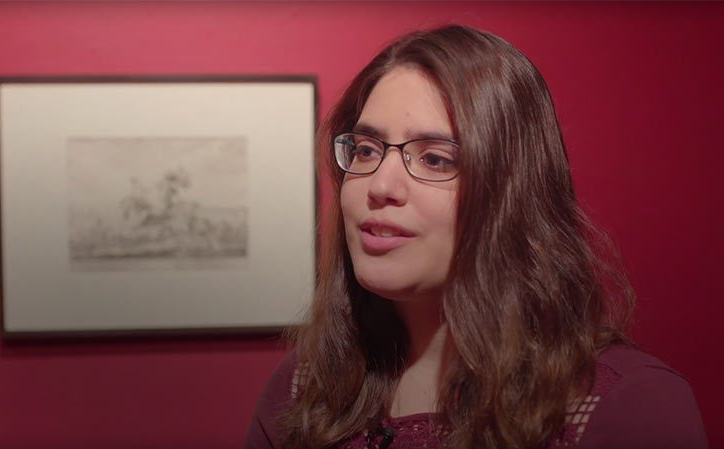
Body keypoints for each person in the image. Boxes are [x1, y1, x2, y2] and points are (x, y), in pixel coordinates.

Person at [245, 25, 708, 449]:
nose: (380, 185)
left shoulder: (628, 406)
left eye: (435, 160)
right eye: (366, 150)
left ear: (512, 191)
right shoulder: (306, 389)